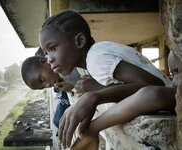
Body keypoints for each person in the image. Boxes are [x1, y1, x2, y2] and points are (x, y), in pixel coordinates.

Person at [39, 10, 171, 148]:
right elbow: (127, 86)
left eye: (53, 48)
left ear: (79, 41)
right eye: (46, 53)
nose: (49, 59)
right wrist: (97, 91)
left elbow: (154, 85)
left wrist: (94, 96)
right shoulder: (88, 63)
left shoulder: (96, 58)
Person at [71, 51, 179, 150]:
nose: (173, 82)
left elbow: (153, 94)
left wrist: (93, 127)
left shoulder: (96, 57)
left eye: (179, 72)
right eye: (173, 74)